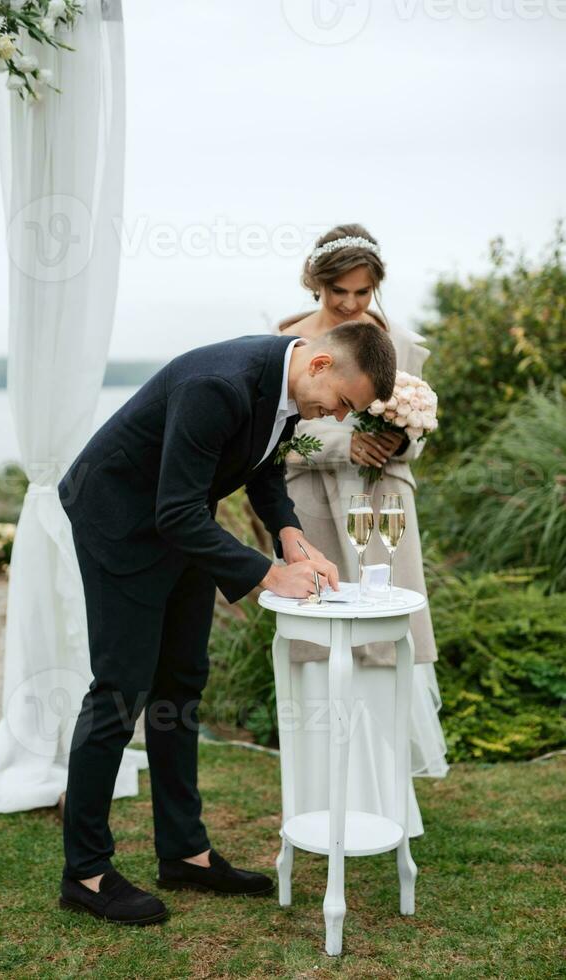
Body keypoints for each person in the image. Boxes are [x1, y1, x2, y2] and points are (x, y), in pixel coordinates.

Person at [56, 324, 396, 925]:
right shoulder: (219, 385)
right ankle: (85, 872)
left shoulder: (291, 389)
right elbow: (174, 508)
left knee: (182, 681)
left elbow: (260, 469)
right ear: (320, 364)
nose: (338, 418)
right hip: (121, 519)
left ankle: (184, 852)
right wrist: (271, 574)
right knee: (120, 689)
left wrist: (291, 536)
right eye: (343, 403)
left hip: (181, 522)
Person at [277, 224, 448, 834]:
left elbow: (418, 434)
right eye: (338, 291)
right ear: (314, 282)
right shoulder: (285, 344)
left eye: (363, 291)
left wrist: (400, 439)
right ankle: (324, 794)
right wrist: (345, 442)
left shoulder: (399, 341)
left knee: (380, 633)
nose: (350, 304)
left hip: (383, 508)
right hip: (312, 502)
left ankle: (385, 800)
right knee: (319, 638)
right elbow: (276, 440)